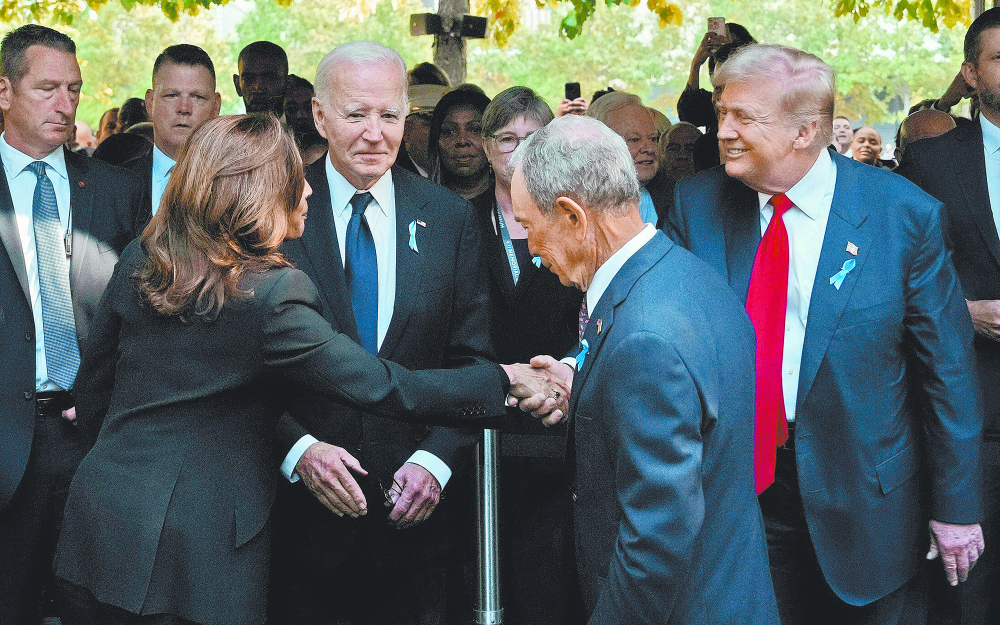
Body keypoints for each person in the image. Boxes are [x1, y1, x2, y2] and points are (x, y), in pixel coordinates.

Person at [52, 113, 563, 625]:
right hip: (199, 554)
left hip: (98, 525)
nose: (311, 193)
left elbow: (95, 385)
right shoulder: (272, 294)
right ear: (260, 192)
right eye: (296, 178)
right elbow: (383, 385)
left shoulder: (146, 254)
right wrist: (504, 378)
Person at [671, 43, 984, 625]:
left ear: (806, 131)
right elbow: (660, 329)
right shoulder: (697, 205)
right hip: (739, 496)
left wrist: (958, 507)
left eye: (745, 118)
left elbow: (946, 372)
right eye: (722, 113)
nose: (724, 132)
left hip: (870, 507)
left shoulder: (901, 215)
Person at [509, 114, 778, 624]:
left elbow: (656, 537)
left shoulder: (645, 338)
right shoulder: (688, 276)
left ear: (572, 216)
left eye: (529, 227)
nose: (535, 253)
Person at [267, 41, 496, 625]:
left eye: (389, 115)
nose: (374, 133)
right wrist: (298, 451)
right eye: (355, 114)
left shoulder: (449, 219)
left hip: (415, 534)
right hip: (300, 532)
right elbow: (240, 363)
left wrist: (437, 461)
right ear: (318, 115)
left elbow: (472, 363)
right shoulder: (273, 213)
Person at [0, 24, 144, 625]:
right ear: (4, 91)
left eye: (75, 90)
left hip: (94, 439)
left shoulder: (115, 191)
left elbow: (142, 313)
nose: (66, 105)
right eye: (48, 89)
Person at [897, 9, 1000, 624]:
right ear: (970, 73)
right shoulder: (932, 164)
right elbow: (896, 288)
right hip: (971, 422)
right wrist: (960, 313)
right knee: (971, 600)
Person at [466, 85, 584, 625]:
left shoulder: (573, 219)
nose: (517, 150)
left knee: (547, 580)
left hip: (558, 421)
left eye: (531, 138)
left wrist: (559, 381)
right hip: (477, 422)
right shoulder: (456, 219)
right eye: (505, 138)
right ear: (486, 146)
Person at [126, 44, 221, 227]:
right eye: (171, 95)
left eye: (197, 97)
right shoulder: (115, 185)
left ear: (216, 106)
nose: (184, 108)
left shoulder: (238, 184)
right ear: (149, 102)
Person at [587, 91, 664, 225]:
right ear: (598, 145)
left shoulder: (677, 199)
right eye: (634, 139)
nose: (650, 149)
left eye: (653, 139)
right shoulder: (578, 203)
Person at [428, 86, 492, 200]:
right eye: (449, 131)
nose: (462, 141)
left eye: (475, 130)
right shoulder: (418, 203)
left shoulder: (515, 204)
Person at [398, 83, 448, 177]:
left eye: (446, 129)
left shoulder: (454, 177)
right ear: (406, 131)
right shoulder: (393, 176)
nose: (438, 134)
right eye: (430, 126)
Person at [233, 41, 288, 116]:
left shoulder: (304, 127)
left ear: (287, 84)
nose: (258, 87)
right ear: (237, 85)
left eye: (269, 78)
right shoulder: (226, 127)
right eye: (249, 78)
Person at [283, 74, 326, 165]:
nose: (300, 115)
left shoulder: (333, 152)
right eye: (292, 109)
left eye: (308, 108)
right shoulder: (280, 153)